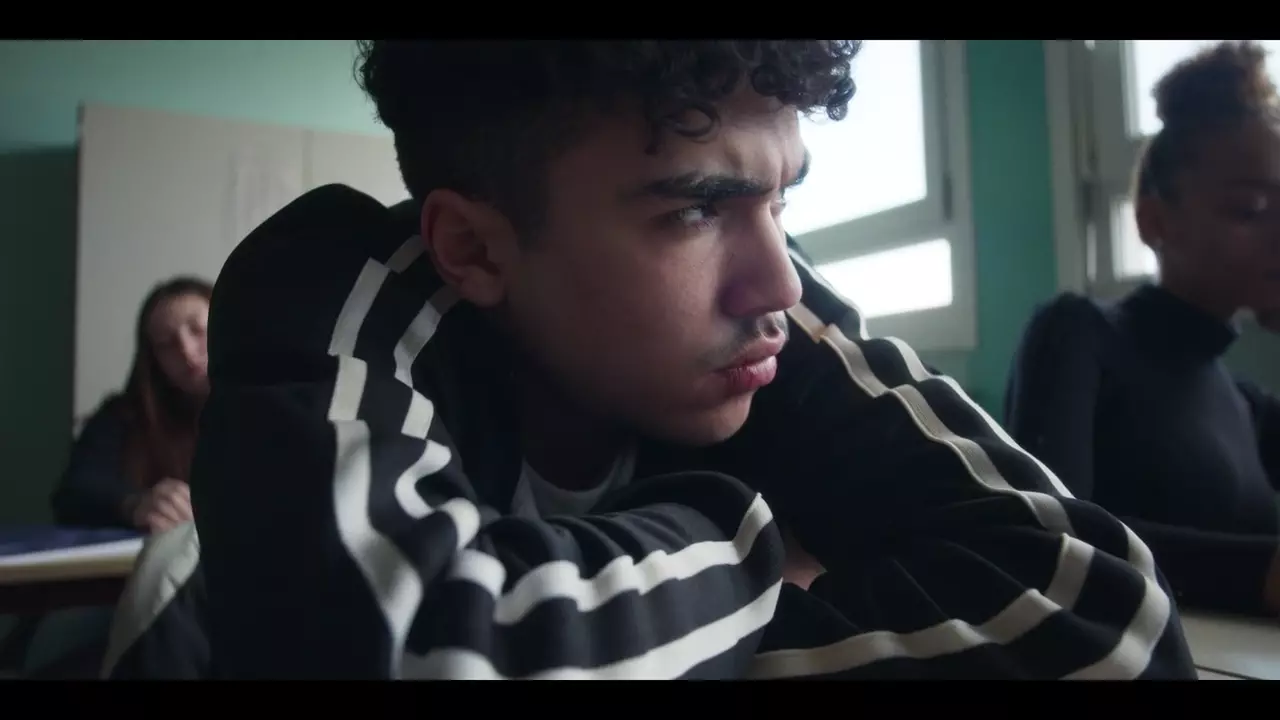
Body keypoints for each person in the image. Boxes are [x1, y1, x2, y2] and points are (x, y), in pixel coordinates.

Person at [153, 41, 1194, 680]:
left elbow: (1096, 613)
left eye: (781, 198)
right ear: (473, 248)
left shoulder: (767, 309)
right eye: (696, 209)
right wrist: (734, 534)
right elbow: (422, 656)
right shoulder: (332, 277)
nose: (777, 284)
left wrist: (649, 650)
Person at [1006, 41, 1280, 618]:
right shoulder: (1079, 333)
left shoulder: (1247, 405)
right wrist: (1260, 573)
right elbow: (1051, 533)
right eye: (1251, 210)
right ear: (1154, 221)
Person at [51, 276, 210, 533]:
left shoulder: (268, 409)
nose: (187, 351)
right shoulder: (124, 415)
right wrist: (134, 504)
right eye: (166, 344)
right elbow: (74, 493)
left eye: (199, 330)